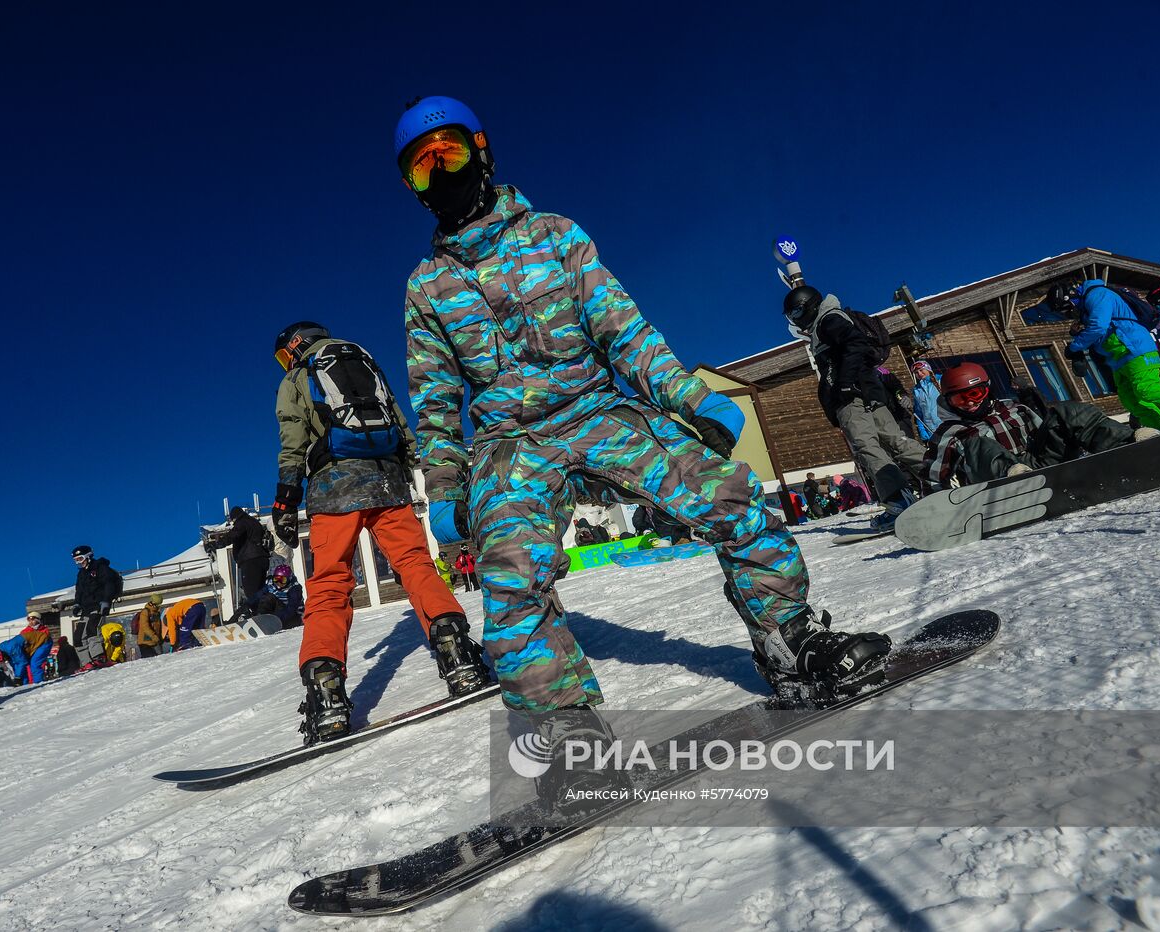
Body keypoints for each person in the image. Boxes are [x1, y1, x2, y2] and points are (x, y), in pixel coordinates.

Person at [396, 95, 889, 760]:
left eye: (449, 154)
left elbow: (620, 328)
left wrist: (690, 398)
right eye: (421, 168)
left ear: (481, 153)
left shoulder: (554, 235)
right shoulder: (426, 286)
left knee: (728, 494)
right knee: (509, 567)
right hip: (511, 444)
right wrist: (448, 487)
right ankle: (563, 728)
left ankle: (792, 644)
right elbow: (434, 400)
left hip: (597, 411)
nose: (439, 174)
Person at [269, 320, 491, 745]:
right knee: (415, 565)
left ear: (296, 344)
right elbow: (398, 421)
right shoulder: (362, 359)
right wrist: (408, 472)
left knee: (329, 584)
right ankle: (458, 655)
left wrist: (285, 498)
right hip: (387, 480)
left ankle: (327, 695)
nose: (286, 361)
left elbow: (292, 437)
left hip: (333, 486)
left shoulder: (298, 376)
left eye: (284, 354)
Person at [783, 284, 927, 530]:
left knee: (867, 446)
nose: (795, 320)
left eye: (796, 312)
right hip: (868, 392)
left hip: (852, 397)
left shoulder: (827, 321)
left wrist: (845, 384)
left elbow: (855, 343)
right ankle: (942, 473)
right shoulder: (831, 318)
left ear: (809, 305)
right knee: (896, 441)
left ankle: (898, 502)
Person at [922, 362, 1150, 487]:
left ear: (987, 390)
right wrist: (938, 510)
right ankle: (1016, 478)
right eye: (960, 399)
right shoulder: (950, 432)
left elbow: (1048, 433)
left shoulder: (1014, 408)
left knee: (1066, 411)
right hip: (1000, 485)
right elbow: (933, 476)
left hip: (1039, 465)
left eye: (975, 393)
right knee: (977, 443)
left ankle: (1130, 443)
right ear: (948, 401)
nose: (970, 403)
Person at [1049, 280, 1160, 432]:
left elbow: (1098, 327)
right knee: (1132, 401)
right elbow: (1103, 332)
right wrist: (1079, 334)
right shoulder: (1087, 307)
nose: (1069, 312)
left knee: (1147, 389)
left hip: (1136, 349)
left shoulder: (1098, 294)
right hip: (1118, 359)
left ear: (1070, 296)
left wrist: (1074, 346)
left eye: (1067, 307)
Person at [205, 506, 276, 619]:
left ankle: (258, 617)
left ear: (234, 518)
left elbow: (233, 535)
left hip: (250, 561)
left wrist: (216, 544)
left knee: (251, 592)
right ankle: (268, 614)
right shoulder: (254, 522)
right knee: (261, 591)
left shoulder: (243, 522)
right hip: (262, 559)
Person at [71, 545, 124, 663]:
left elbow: (109, 585)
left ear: (88, 557)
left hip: (98, 605)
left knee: (92, 629)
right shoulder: (81, 574)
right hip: (86, 608)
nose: (79, 563)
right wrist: (76, 604)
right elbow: (79, 591)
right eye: (76, 560)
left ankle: (99, 657)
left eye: (80, 559)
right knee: (78, 636)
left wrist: (106, 601)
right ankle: (86, 662)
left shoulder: (100, 568)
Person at [254, 564, 305, 629]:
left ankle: (266, 623)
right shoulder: (271, 584)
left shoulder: (294, 589)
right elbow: (257, 596)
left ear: (289, 579)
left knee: (270, 598)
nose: (278, 583)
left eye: (283, 580)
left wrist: (276, 619)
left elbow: (291, 608)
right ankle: (260, 619)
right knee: (268, 597)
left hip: (294, 617)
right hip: (278, 615)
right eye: (276, 579)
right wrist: (247, 605)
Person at [910, 360, 943, 441]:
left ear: (928, 369)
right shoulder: (917, 390)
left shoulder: (940, 381)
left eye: (921, 370)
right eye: (916, 373)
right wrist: (922, 429)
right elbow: (919, 412)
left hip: (946, 424)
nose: (919, 373)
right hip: (931, 429)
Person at [132, 594, 164, 658]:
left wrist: (160, 638)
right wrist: (154, 636)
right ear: (153, 604)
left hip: (154, 642)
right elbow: (145, 627)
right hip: (145, 642)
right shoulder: (145, 612)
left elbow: (158, 627)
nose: (159, 606)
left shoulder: (157, 613)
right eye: (158, 604)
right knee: (149, 660)